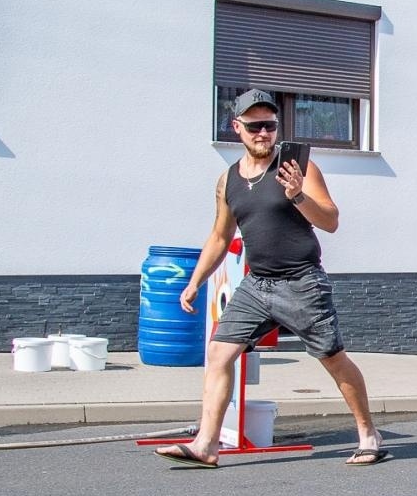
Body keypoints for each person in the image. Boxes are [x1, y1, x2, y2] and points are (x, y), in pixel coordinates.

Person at [155, 89, 386, 469]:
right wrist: (195, 281)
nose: (263, 133)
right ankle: (206, 444)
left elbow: (330, 221)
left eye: (270, 125)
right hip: (256, 283)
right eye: (254, 126)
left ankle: (368, 435)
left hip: (302, 282)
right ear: (237, 128)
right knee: (218, 352)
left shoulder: (298, 168)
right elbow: (219, 236)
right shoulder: (227, 180)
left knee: (332, 359)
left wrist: (297, 195)